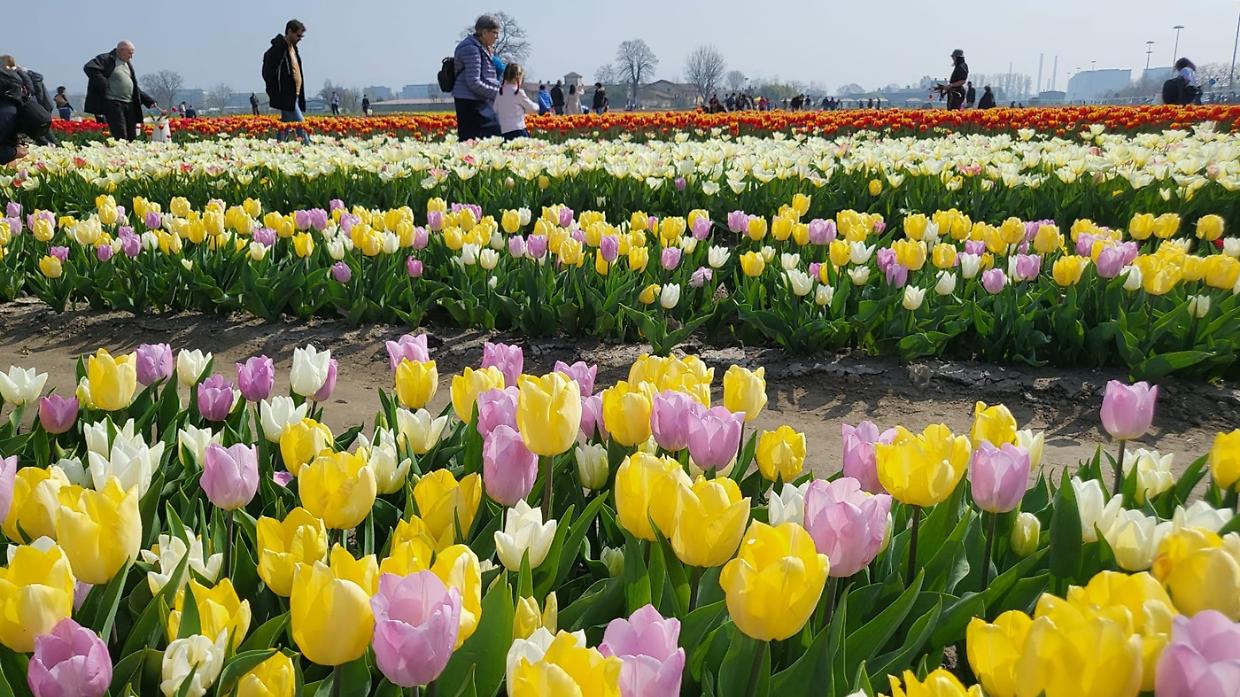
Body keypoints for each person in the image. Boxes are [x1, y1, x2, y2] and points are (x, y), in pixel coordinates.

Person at [84, 41, 157, 141]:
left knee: (132, 134)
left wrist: (149, 101)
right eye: (129, 53)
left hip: (129, 103)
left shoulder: (127, 64)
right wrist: (104, 83)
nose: (131, 56)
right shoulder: (106, 59)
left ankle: (131, 154)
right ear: (120, 50)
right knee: (120, 133)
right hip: (113, 102)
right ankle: (120, 153)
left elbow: (133, 87)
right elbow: (89, 67)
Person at [452, 15, 503, 140]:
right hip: (470, 103)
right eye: (495, 33)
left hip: (479, 100)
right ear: (484, 32)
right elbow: (474, 82)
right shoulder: (471, 49)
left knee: (491, 136)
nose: (497, 37)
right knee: (479, 138)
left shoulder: (482, 47)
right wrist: (499, 94)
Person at [262, 19, 309, 144]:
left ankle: (279, 145)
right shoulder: (278, 49)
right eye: (298, 35)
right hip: (286, 94)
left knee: (286, 124)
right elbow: (268, 71)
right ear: (289, 32)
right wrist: (276, 91)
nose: (300, 38)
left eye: (301, 36)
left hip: (296, 93)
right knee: (301, 123)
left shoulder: (293, 49)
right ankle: (309, 148)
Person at [494, 63, 538, 140]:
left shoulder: (500, 92)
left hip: (503, 131)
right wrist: (537, 106)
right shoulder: (518, 93)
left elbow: (495, 109)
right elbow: (532, 108)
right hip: (518, 129)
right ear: (518, 78)